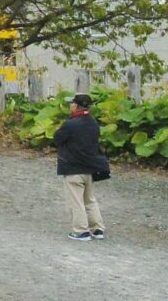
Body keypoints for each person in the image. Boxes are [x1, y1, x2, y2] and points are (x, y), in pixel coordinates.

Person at [53, 93, 109, 241]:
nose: (70, 105)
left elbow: (57, 138)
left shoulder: (70, 123)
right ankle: (97, 229)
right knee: (90, 200)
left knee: (76, 201)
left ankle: (81, 231)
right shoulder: (93, 122)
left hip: (73, 168)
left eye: (71, 103)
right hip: (89, 168)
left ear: (76, 106)